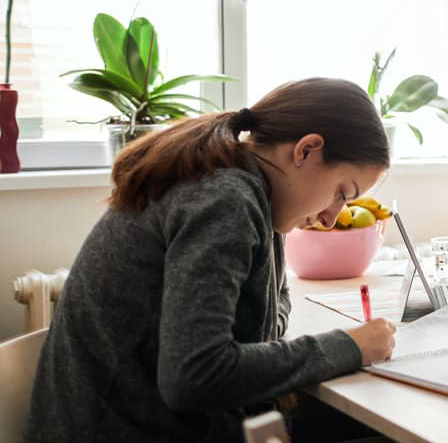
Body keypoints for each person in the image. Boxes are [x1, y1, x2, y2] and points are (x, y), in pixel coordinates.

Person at [24, 78, 397, 443]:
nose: (332, 217)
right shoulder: (225, 200)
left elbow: (274, 309)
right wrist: (347, 347)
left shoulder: (255, 195)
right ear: (306, 150)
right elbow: (194, 376)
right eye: (341, 193)